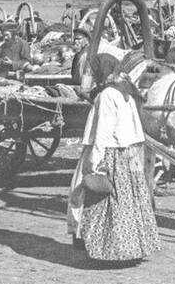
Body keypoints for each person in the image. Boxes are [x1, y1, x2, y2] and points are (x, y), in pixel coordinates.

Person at [66, 51, 161, 263]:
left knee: (91, 197)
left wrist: (95, 162)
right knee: (126, 203)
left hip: (109, 153)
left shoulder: (109, 95)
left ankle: (100, 245)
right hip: (127, 154)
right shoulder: (127, 96)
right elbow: (133, 131)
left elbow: (103, 131)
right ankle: (130, 247)